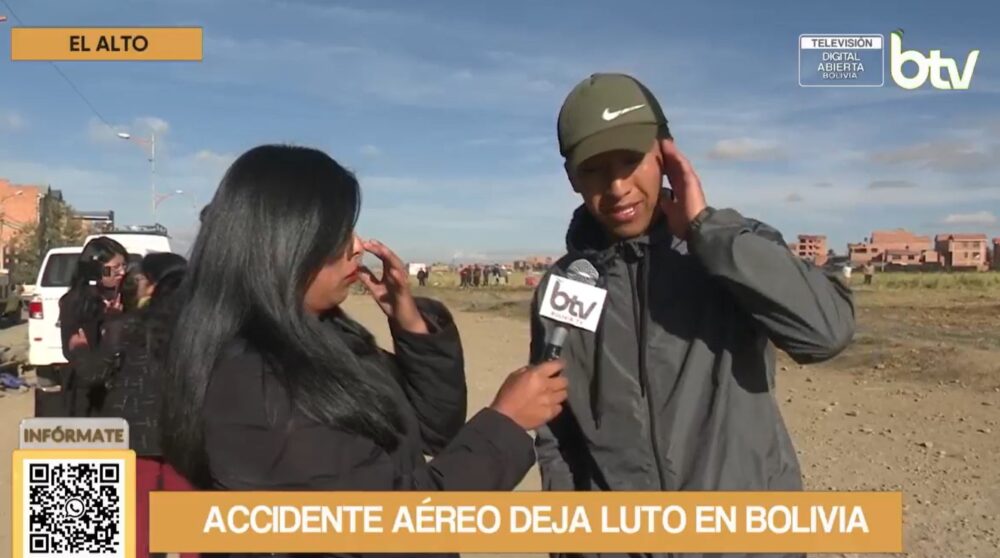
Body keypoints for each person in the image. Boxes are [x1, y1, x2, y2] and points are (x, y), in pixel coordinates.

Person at [160, 146, 567, 547]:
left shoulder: (320, 334)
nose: (357, 247)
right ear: (284, 246)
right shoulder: (257, 389)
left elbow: (433, 427)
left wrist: (409, 323)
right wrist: (506, 422)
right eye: (338, 235)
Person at [530, 73, 856, 558]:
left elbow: (826, 334)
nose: (617, 187)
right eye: (594, 169)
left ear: (665, 153)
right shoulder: (566, 284)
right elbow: (556, 429)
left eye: (630, 160)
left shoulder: (731, 250)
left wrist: (708, 232)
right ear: (572, 179)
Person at [99, 251, 197, 558]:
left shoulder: (129, 324)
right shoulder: (199, 329)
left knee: (138, 514)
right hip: (183, 432)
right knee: (187, 514)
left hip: (135, 432)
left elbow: (101, 371)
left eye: (142, 278)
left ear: (153, 284)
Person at [56, 236, 129, 417]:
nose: (122, 272)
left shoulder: (126, 297)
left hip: (122, 392)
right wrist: (111, 323)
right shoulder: (74, 302)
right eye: (115, 268)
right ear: (95, 270)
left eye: (124, 266)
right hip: (88, 396)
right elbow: (74, 351)